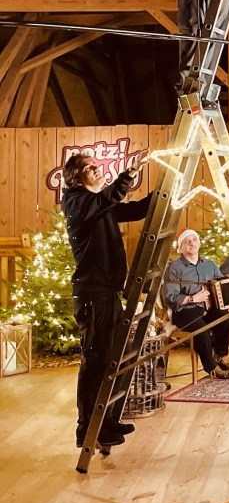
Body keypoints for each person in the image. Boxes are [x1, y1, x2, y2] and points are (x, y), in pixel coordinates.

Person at [63, 152, 152, 449]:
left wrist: (164, 193)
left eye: (97, 165)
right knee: (95, 362)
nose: (97, 168)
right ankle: (87, 428)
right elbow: (107, 198)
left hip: (107, 292)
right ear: (76, 177)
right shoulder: (77, 202)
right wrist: (129, 172)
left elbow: (134, 209)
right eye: (90, 167)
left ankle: (107, 420)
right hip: (93, 295)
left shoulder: (97, 205)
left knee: (111, 359)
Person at [163, 227, 229, 380]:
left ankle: (220, 355)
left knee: (225, 318)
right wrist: (193, 298)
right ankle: (212, 368)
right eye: (187, 241)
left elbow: (222, 283)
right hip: (184, 311)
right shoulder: (174, 268)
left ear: (199, 243)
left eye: (194, 239)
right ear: (181, 247)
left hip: (208, 307)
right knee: (202, 331)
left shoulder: (210, 264)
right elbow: (170, 297)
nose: (192, 243)